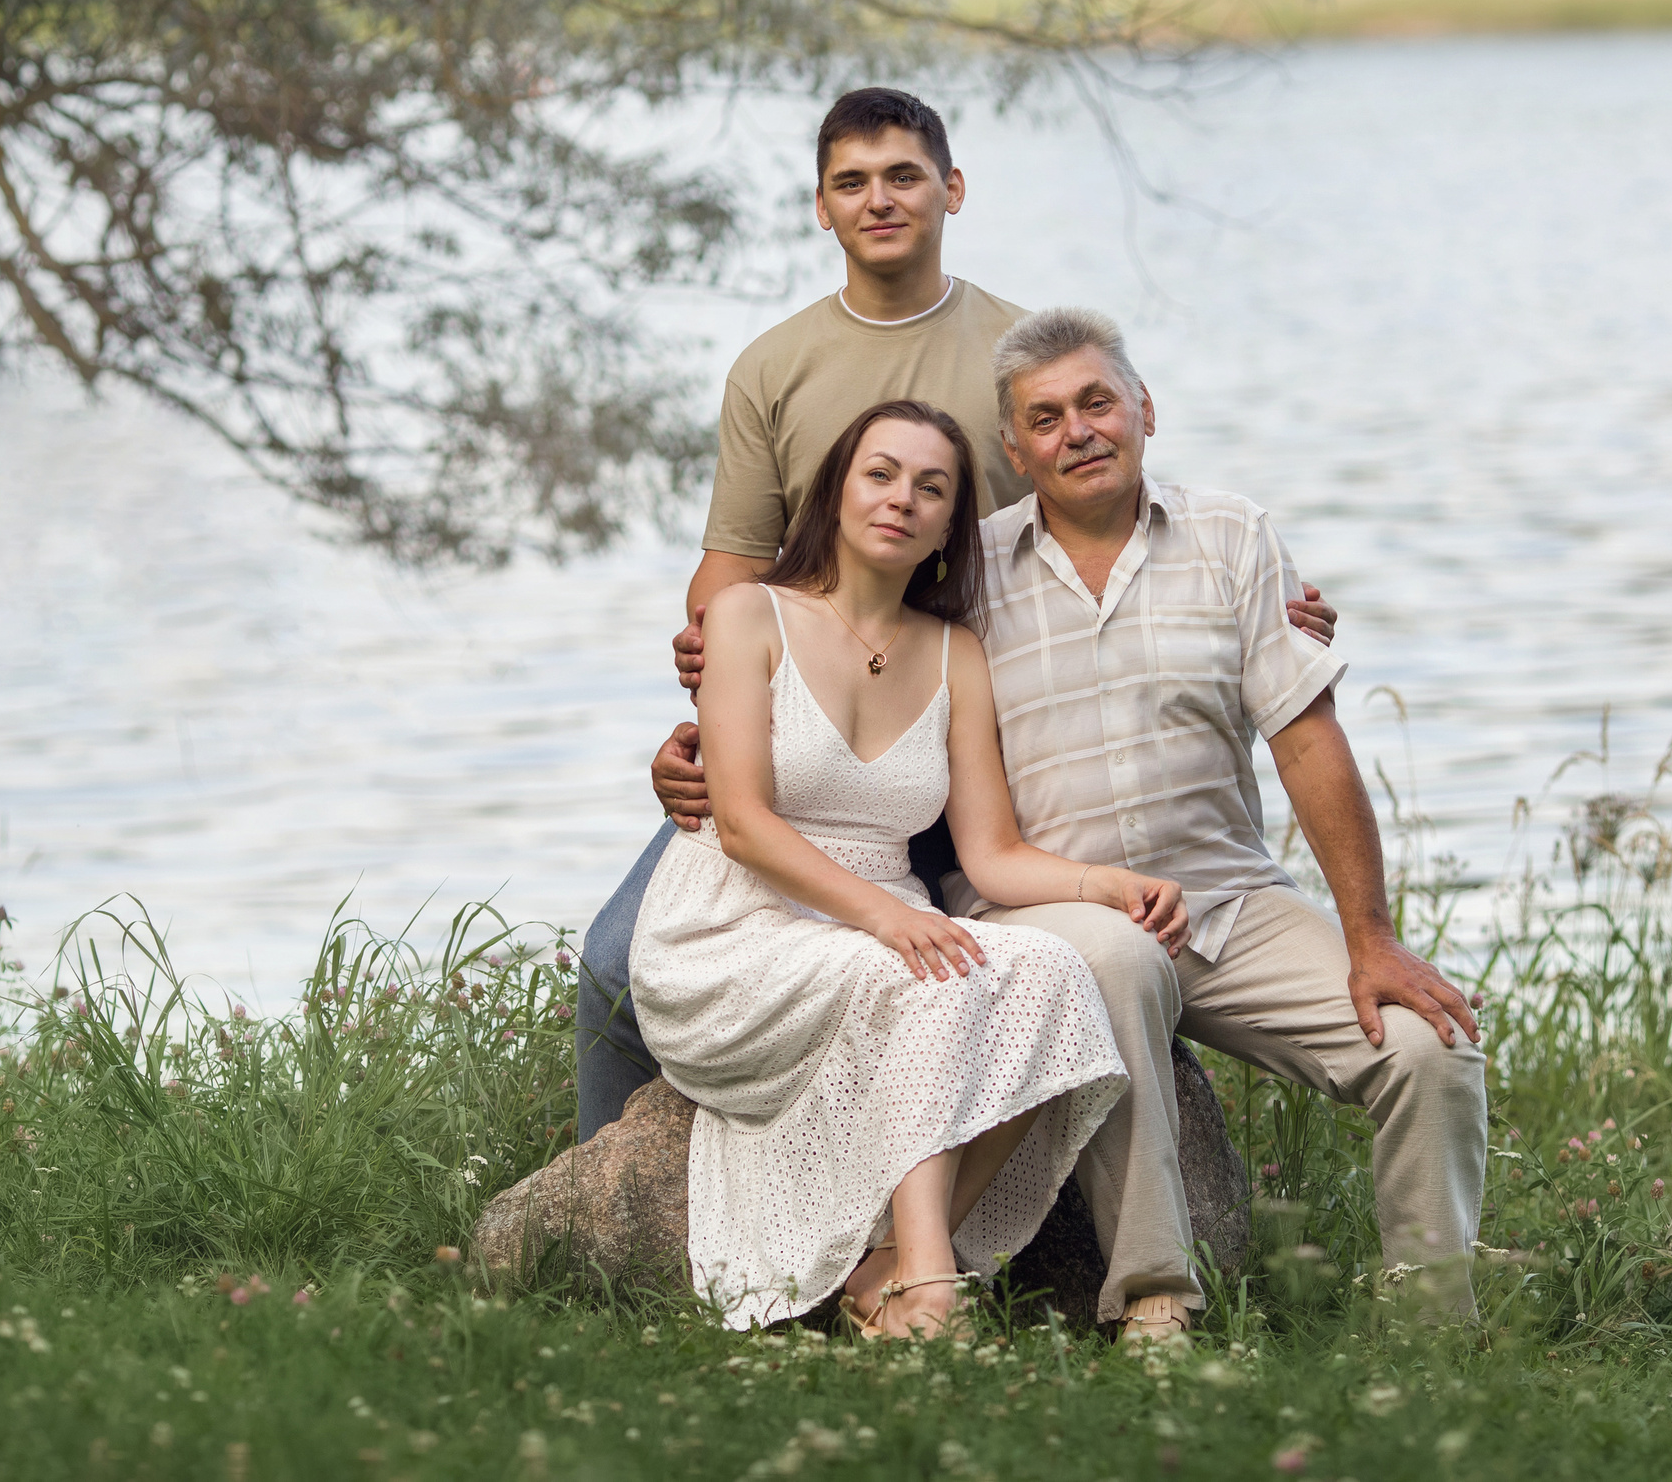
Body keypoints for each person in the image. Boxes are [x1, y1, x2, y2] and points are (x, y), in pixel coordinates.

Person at [577, 86, 1337, 1143]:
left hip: (977, 724)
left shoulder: (1006, 352)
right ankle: (616, 1213)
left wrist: (1257, 599)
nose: (879, 200)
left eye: (903, 175)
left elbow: (1098, 492)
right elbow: (729, 569)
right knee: (614, 965)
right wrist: (711, 713)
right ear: (820, 207)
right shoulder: (771, 367)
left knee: (989, 965)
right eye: (852, 181)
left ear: (952, 189)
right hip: (807, 738)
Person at [961, 306, 1490, 1330]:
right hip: (1060, 915)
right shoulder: (969, 574)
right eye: (1047, 416)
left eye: (1097, 402)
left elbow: (1304, 740)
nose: (1078, 430)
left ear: (1144, 411)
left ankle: (1433, 1335)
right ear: (1014, 449)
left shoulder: (1231, 536)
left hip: (1228, 903)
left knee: (1431, 1049)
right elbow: (849, 646)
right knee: (1112, 960)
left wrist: (1370, 938)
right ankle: (1157, 1304)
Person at [629, 398, 1185, 1337]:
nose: (903, 499)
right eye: (881, 473)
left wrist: (1105, 887)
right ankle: (931, 1292)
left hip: (883, 918)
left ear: (947, 525)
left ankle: (885, 1270)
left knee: (1052, 971)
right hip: (731, 927)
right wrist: (885, 920)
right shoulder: (747, 614)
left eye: (932, 488)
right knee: (927, 976)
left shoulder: (954, 651)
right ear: (837, 491)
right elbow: (745, 821)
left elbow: (993, 856)